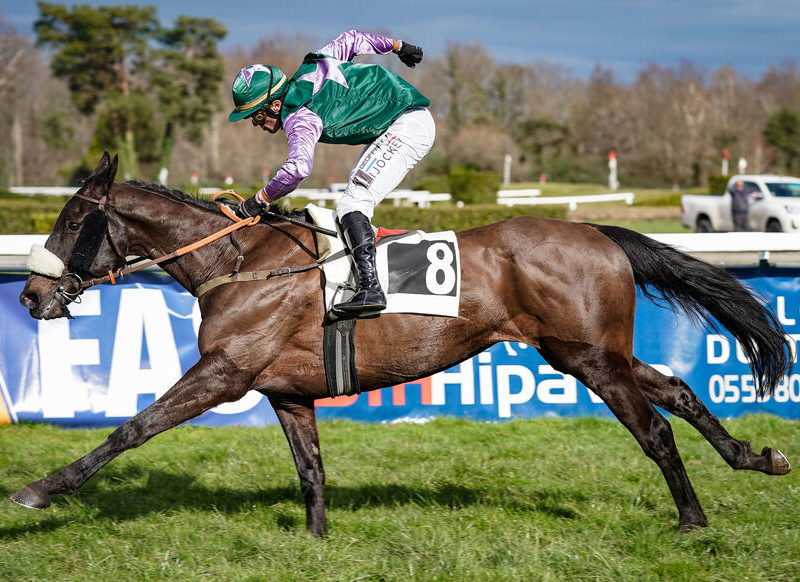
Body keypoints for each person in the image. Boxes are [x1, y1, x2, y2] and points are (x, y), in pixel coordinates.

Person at [228, 30, 435, 316]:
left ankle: (370, 287)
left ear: (275, 104)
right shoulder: (318, 62)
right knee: (351, 201)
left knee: (353, 203)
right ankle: (365, 280)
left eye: (257, 116)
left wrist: (258, 200)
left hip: (406, 127)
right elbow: (353, 38)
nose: (256, 124)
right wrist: (400, 47)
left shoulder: (299, 117)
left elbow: (298, 169)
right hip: (400, 124)